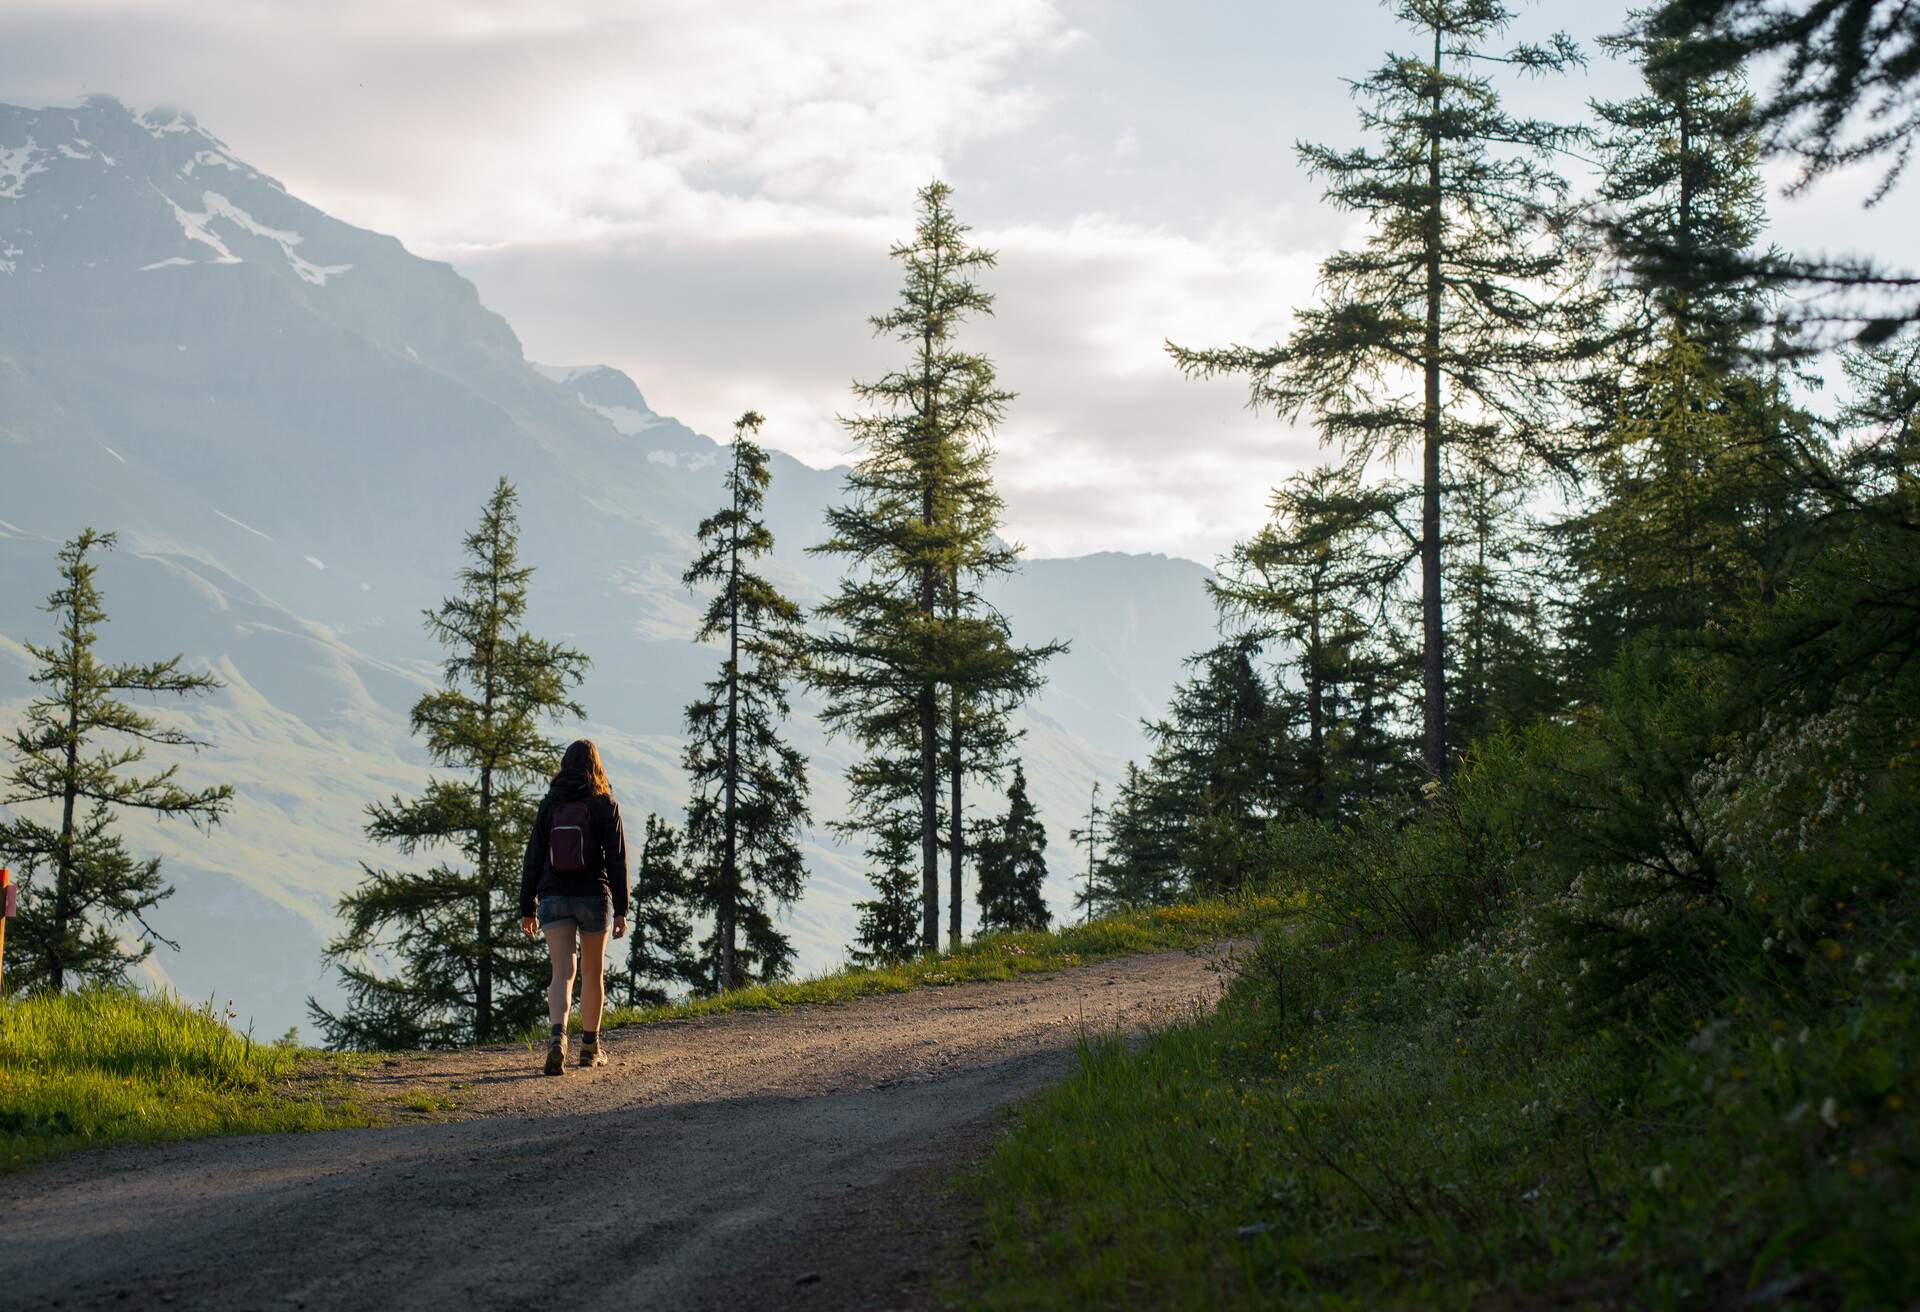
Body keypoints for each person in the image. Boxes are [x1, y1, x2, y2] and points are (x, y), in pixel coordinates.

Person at [519, 739, 629, 1075]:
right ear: (596, 766)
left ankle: (557, 1039)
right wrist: (622, 908)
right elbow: (617, 859)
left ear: (565, 766)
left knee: (562, 972)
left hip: (553, 897)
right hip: (593, 897)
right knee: (592, 972)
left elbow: (534, 857)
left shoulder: (550, 804)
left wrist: (528, 906)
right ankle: (589, 1047)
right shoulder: (604, 804)